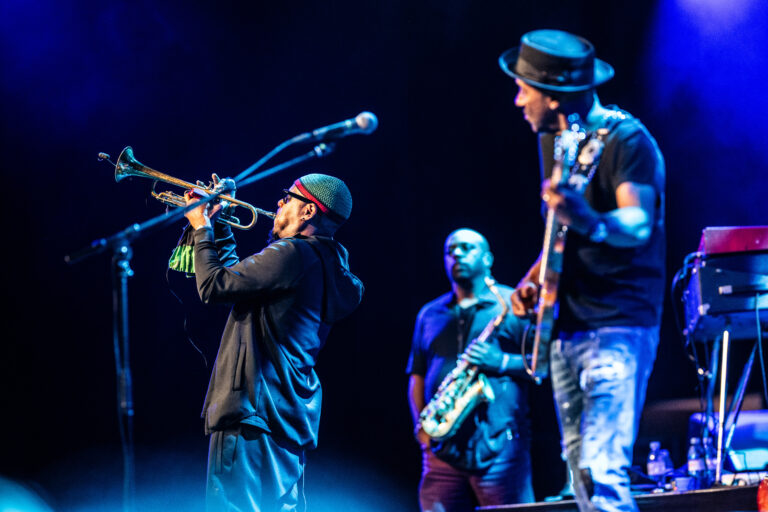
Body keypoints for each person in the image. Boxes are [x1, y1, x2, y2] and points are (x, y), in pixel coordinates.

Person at [499, 30, 665, 512]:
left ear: (552, 95)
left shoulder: (627, 139)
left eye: (523, 89)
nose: (517, 100)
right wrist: (535, 279)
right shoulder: (559, 142)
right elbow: (562, 233)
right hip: (566, 329)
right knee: (583, 481)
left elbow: (637, 222)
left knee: (602, 472)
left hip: (616, 325)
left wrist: (589, 220)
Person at [183, 173, 364, 512]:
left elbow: (213, 286)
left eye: (287, 197)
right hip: (287, 419)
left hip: (251, 412)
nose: (278, 204)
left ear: (308, 211)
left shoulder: (292, 253)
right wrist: (219, 226)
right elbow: (237, 281)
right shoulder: (327, 266)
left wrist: (201, 226)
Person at [406, 228, 535, 511]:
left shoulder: (513, 305)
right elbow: (416, 375)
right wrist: (423, 430)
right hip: (442, 449)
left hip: (499, 447)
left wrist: (499, 361)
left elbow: (542, 365)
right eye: (450, 250)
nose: (457, 255)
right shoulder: (430, 313)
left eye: (467, 248)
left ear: (488, 258)